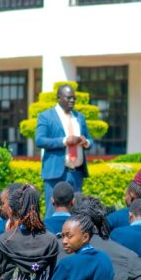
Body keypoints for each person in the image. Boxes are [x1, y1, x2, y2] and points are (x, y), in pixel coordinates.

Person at [36, 84, 91, 216]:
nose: (72, 101)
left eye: (74, 98)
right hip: (56, 173)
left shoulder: (79, 117)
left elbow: (90, 139)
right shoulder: (46, 116)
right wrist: (64, 141)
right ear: (59, 98)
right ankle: (51, 237)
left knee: (77, 212)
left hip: (76, 173)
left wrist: (86, 142)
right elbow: (40, 140)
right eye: (69, 98)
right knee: (52, 211)